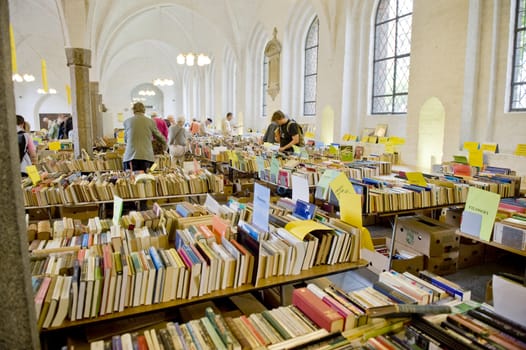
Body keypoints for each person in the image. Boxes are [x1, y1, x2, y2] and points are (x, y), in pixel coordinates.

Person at [122, 102, 166, 172]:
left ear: (133, 110)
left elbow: (126, 140)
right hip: (146, 157)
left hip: (129, 157)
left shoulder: (127, 121)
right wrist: (165, 146)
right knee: (148, 177)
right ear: (144, 110)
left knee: (131, 180)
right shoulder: (150, 121)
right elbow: (159, 137)